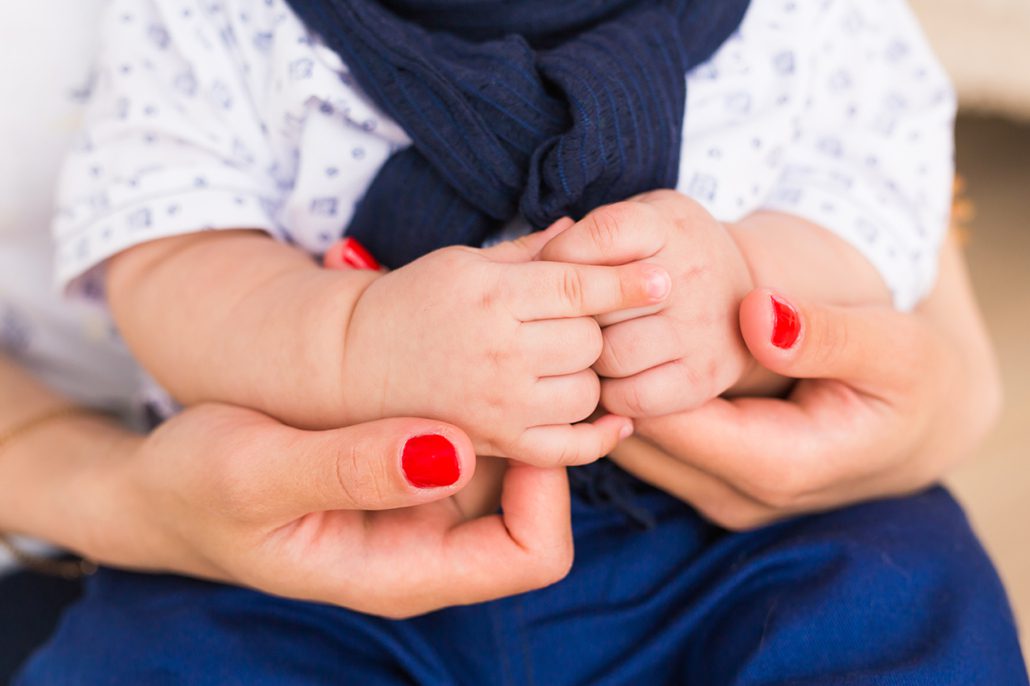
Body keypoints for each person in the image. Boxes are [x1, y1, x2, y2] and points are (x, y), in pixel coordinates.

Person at [14, 0, 1030, 683]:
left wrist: (738, 282)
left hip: (737, 534)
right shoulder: (216, 21)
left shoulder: (806, 19)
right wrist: (353, 340)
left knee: (907, 597)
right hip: (311, 546)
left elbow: (878, 195)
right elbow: (160, 242)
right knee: (147, 652)